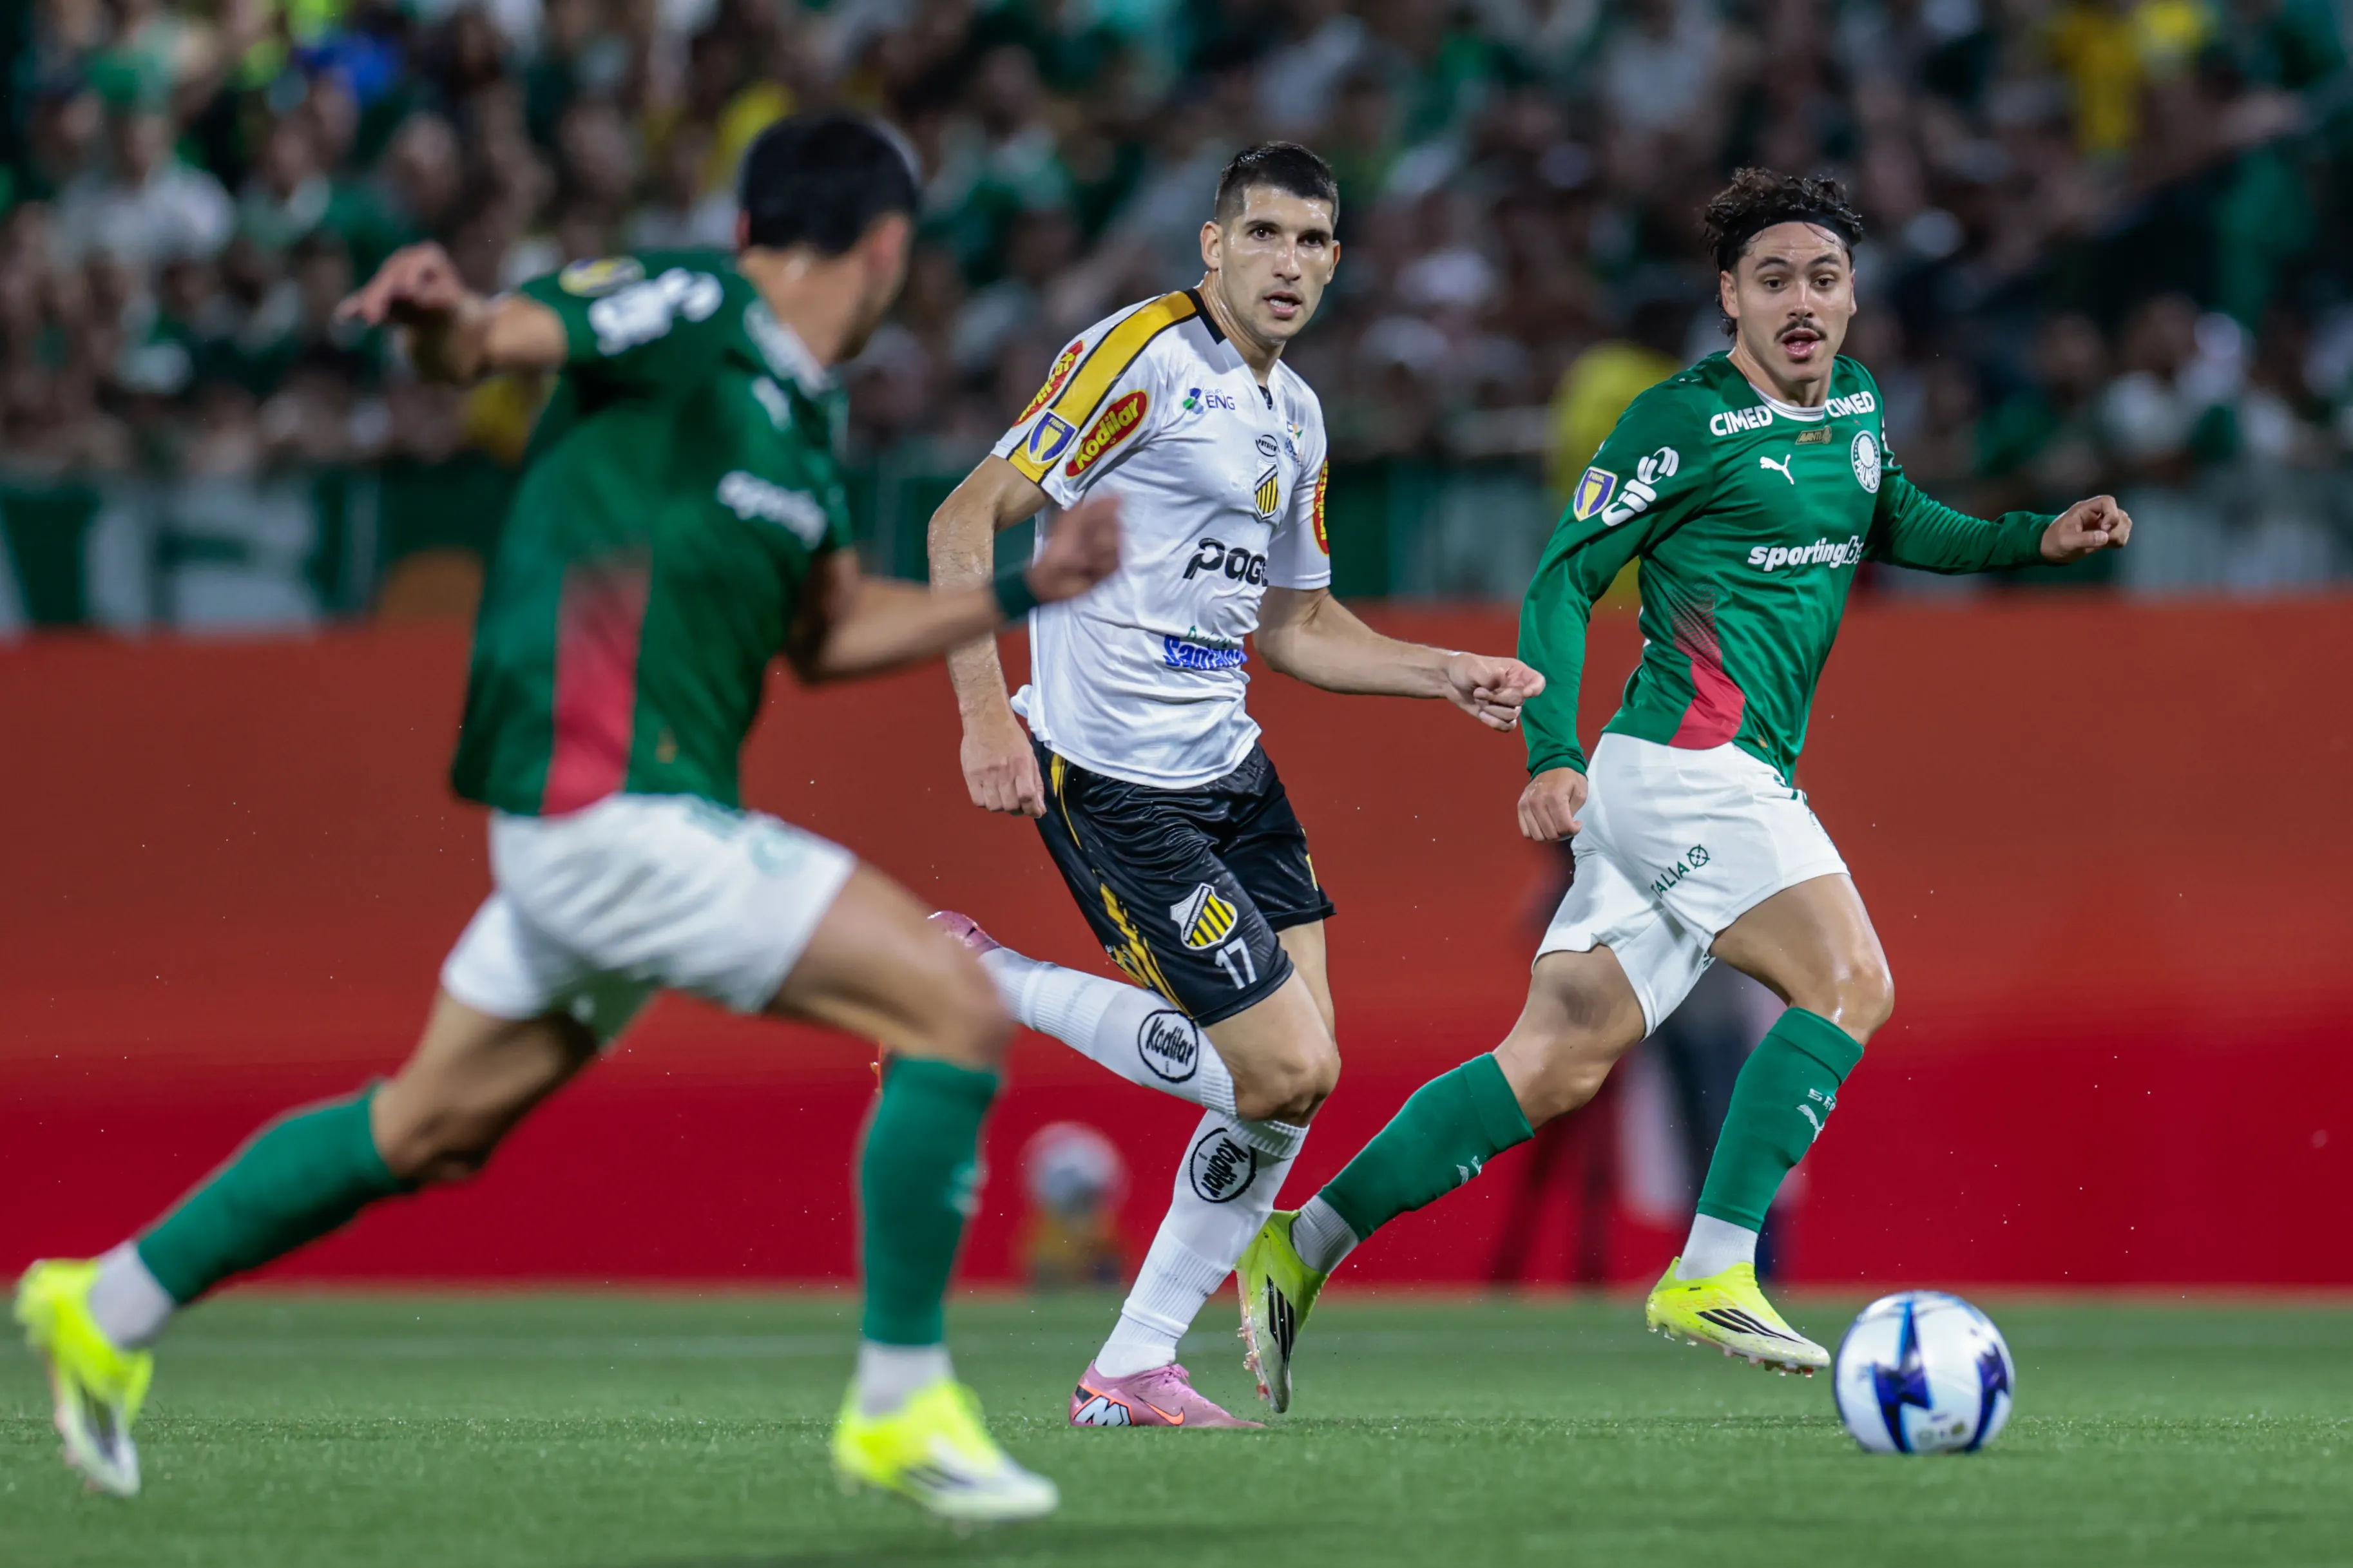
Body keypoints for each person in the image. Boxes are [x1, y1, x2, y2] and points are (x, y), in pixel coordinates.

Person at [13, 113, 1122, 1523]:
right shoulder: (695, 307)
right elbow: (492, 345)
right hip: (610, 807)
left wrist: (1026, 589)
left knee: (426, 1127)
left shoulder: (800, 420)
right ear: (887, 248)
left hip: (608, 830)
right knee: (953, 1006)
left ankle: (103, 1304)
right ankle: (902, 1401)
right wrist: (441, 320)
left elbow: (831, 631)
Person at [1237, 167, 2133, 1401]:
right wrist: (1548, 752)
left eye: (1823, 279)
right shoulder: (1679, 422)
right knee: (1852, 978)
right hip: (1680, 767)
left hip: (1725, 775)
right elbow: (1561, 579)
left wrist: (2030, 538)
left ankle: (1301, 1241)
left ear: (1854, 296)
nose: (1801, 301)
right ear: (1731, 298)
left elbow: (1897, 518)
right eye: (1774, 281)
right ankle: (1715, 1265)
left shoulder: (1858, 410)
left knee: (1556, 1057)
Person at [924, 142, 1543, 1425]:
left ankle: (1131, 1363)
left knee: (1297, 1081)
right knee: (1276, 1070)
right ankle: (981, 979)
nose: (1288, 263)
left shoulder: (1297, 413)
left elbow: (1299, 629)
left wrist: (1444, 672)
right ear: (1211, 245)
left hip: (1232, 770)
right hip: (1112, 781)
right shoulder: (1137, 355)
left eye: (1313, 242)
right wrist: (986, 717)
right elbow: (959, 519)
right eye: (1262, 235)